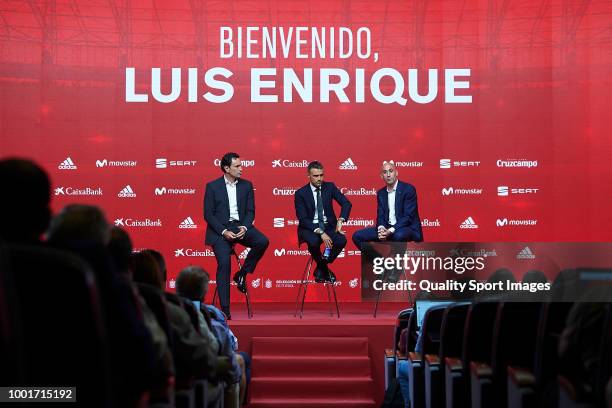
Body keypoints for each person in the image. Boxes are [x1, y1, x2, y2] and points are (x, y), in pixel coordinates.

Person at [203, 152, 269, 319]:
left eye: (241, 165)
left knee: (262, 241)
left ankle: (242, 274)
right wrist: (224, 232)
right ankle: (225, 310)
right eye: (237, 166)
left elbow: (250, 211)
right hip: (220, 230)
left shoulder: (247, 185)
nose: (241, 169)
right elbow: (208, 215)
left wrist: (245, 228)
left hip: (240, 227)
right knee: (224, 263)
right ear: (226, 168)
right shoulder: (212, 186)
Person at [294, 160, 352, 283]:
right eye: (315, 176)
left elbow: (346, 203)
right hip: (309, 228)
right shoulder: (300, 193)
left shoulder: (330, 187)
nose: (319, 178)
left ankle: (321, 267)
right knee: (314, 242)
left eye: (321, 175)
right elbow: (302, 219)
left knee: (341, 240)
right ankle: (324, 269)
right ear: (308, 176)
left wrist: (341, 220)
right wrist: (321, 232)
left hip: (328, 226)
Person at [352, 160, 423, 252]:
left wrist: (390, 231)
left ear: (396, 173)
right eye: (385, 172)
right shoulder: (381, 193)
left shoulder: (408, 189)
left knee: (398, 235)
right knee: (357, 236)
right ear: (382, 176)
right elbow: (380, 215)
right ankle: (378, 261)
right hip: (387, 228)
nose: (388, 175)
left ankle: (396, 264)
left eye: (391, 171)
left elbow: (408, 217)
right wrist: (381, 228)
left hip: (406, 228)